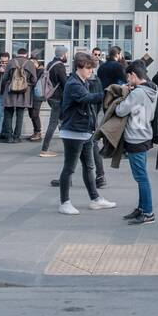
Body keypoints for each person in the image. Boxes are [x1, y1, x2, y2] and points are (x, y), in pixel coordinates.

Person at [57, 52, 114, 216]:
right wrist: (109, 94)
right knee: (69, 168)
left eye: (91, 68)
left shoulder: (83, 82)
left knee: (89, 166)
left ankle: (95, 199)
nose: (91, 71)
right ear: (79, 67)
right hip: (73, 132)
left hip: (84, 131)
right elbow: (87, 99)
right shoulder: (74, 84)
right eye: (88, 68)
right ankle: (64, 202)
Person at [111, 61, 156, 222]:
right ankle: (141, 208)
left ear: (133, 75)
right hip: (145, 134)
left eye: (128, 77)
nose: (127, 81)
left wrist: (122, 100)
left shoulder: (137, 93)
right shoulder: (152, 89)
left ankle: (148, 212)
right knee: (141, 175)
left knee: (141, 177)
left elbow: (121, 110)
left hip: (135, 136)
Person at [0, 48, 38, 143]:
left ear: (17, 54)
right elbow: (34, 80)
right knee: (19, 115)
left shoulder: (11, 62)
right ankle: (16, 137)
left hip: (10, 92)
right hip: (24, 93)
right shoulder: (30, 64)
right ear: (26, 54)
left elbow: (4, 78)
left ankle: (9, 137)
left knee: (8, 115)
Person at [39, 47, 70, 158]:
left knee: (62, 122)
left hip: (51, 97)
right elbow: (65, 83)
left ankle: (69, 147)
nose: (67, 55)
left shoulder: (50, 64)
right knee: (54, 123)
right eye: (66, 53)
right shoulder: (59, 66)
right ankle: (44, 149)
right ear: (62, 55)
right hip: (58, 98)